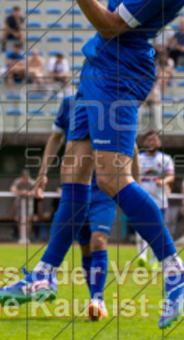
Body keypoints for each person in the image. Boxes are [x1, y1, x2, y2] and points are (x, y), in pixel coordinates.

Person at [0, 0, 184, 330]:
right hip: (98, 69)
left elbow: (109, 25)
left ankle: (177, 270)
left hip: (118, 74)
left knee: (111, 177)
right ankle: (43, 276)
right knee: (75, 172)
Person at [28, 92, 130, 320]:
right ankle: (93, 296)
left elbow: (130, 144)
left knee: (98, 240)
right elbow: (55, 138)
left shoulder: (113, 101)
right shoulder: (69, 104)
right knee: (84, 247)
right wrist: (43, 172)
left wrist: (134, 185)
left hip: (104, 187)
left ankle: (98, 299)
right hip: (76, 186)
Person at [134, 130, 176, 268]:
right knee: (141, 229)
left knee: (158, 230)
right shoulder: (138, 158)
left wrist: (163, 181)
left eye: (155, 139)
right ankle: (142, 257)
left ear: (159, 142)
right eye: (149, 139)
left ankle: (153, 261)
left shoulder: (165, 158)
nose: (152, 142)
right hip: (142, 199)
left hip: (160, 200)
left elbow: (171, 176)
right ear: (145, 142)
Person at [10, 170, 36, 242]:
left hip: (29, 203)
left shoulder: (32, 182)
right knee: (20, 220)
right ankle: (21, 237)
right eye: (24, 178)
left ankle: (27, 237)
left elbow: (36, 190)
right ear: (21, 177)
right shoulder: (17, 181)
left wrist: (29, 193)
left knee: (28, 220)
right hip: (19, 204)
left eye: (27, 178)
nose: (25, 179)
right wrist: (20, 192)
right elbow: (12, 189)